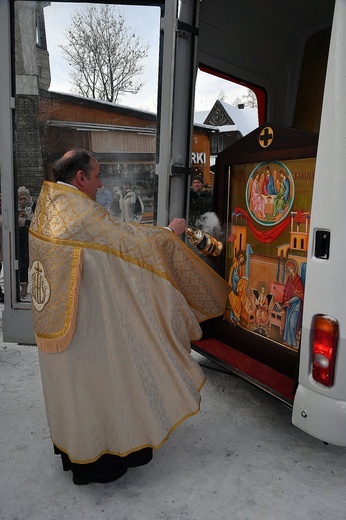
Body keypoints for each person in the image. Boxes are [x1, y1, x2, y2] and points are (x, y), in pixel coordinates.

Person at [28, 149, 230, 486]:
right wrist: (168, 231)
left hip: (57, 321)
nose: (100, 181)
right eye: (96, 175)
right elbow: (127, 244)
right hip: (85, 329)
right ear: (80, 178)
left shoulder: (48, 206)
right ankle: (98, 461)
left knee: (72, 391)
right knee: (97, 388)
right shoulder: (79, 215)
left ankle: (75, 452)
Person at [282, 260, 304, 347]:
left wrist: (289, 301)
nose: (290, 271)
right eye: (288, 270)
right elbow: (287, 291)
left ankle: (294, 343)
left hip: (296, 305)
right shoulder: (289, 279)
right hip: (290, 305)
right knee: (287, 322)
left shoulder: (298, 280)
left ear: (294, 268)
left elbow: (299, 295)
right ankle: (288, 342)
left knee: (292, 324)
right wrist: (286, 301)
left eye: (290, 269)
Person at [18, 186, 34, 299]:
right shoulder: (15, 209)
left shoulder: (34, 207)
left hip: (32, 239)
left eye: (25, 198)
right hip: (20, 239)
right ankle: (23, 285)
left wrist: (27, 220)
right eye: (21, 199)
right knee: (22, 262)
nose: (23, 201)